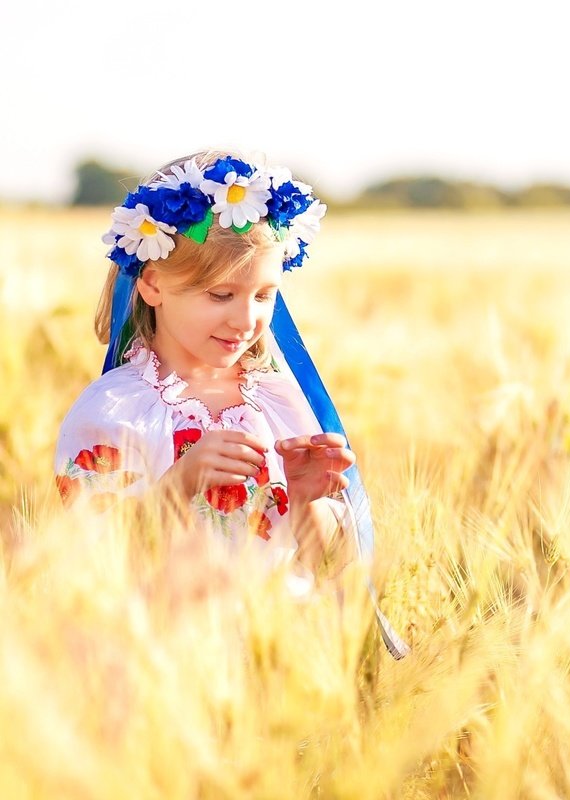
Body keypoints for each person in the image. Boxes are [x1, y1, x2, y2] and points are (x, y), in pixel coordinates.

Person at [56, 151, 408, 656]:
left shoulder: (280, 402)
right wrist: (179, 485)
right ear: (153, 283)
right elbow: (89, 558)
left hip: (281, 662)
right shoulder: (113, 412)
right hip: (165, 668)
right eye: (221, 295)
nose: (246, 320)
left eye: (264, 295)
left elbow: (315, 560)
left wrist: (308, 501)